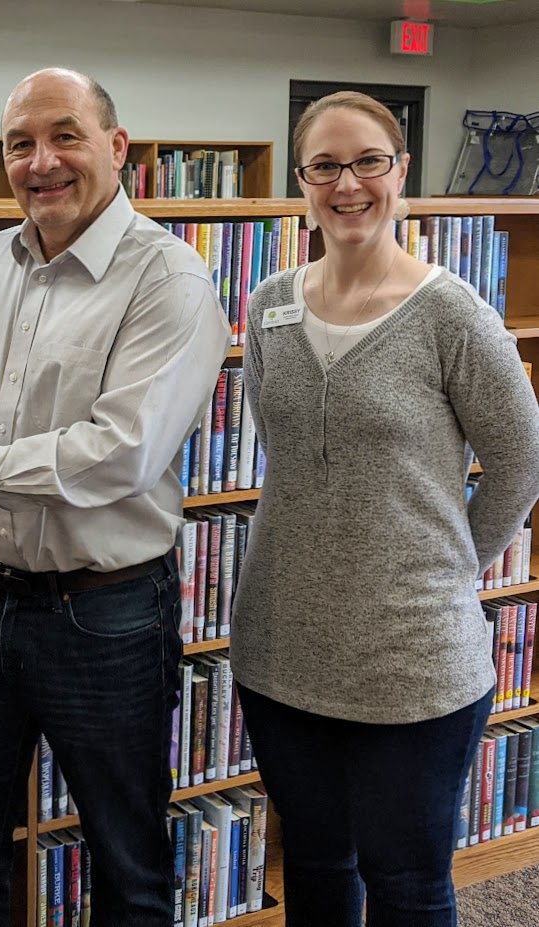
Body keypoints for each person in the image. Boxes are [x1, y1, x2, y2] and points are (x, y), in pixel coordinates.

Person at [0, 68, 230, 926]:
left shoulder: (169, 281)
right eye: (19, 143)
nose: (41, 161)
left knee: (126, 857)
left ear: (116, 147)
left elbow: (117, 455)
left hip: (104, 614)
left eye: (64, 135)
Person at [231, 90, 539, 927]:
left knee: (404, 882)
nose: (347, 183)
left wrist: (444, 567)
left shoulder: (451, 315)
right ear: (301, 181)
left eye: (367, 160)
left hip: (412, 663)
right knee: (318, 870)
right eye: (323, 165)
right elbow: (283, 453)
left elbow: (519, 461)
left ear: (399, 171)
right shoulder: (270, 305)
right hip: (279, 647)